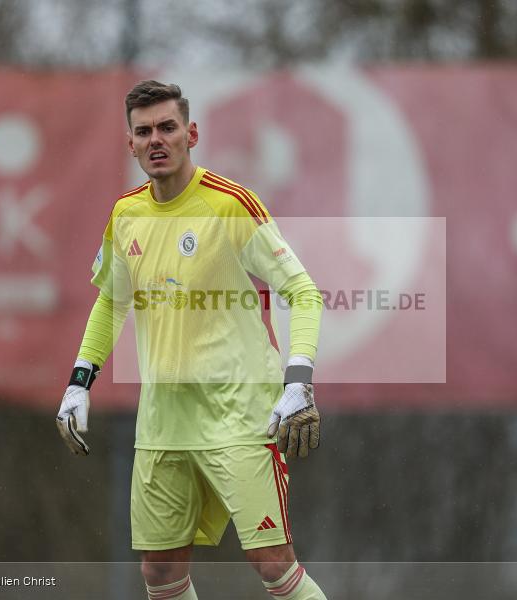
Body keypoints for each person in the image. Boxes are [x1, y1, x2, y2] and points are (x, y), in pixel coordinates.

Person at [55, 80, 328, 600]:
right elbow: (112, 303)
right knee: (160, 575)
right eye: (143, 131)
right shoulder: (125, 214)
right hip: (164, 421)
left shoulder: (230, 205)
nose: (156, 139)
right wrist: (78, 383)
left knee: (273, 564)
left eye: (167, 127)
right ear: (130, 143)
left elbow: (303, 291)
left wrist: (299, 382)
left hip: (242, 413)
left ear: (191, 134)